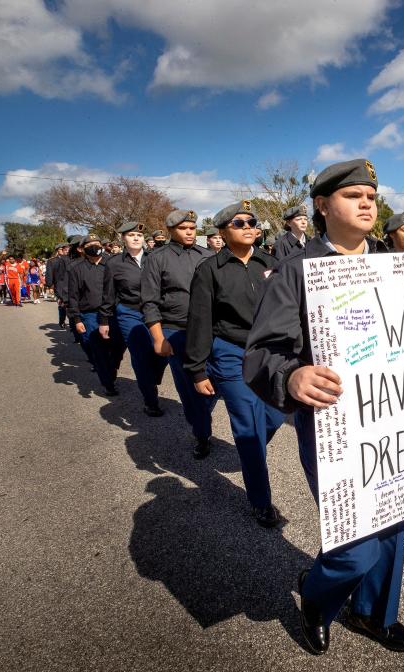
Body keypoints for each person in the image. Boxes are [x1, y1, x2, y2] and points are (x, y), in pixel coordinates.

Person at [243, 158, 404, 655]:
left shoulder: (397, 262)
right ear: (322, 206)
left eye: (370, 196)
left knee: (393, 525)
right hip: (336, 426)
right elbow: (260, 354)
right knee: (356, 545)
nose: (366, 203)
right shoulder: (298, 271)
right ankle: (318, 599)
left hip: (402, 423)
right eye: (352, 195)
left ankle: (373, 614)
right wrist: (291, 375)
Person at [183, 202, 285, 527]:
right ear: (223, 231)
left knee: (275, 415)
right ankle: (260, 500)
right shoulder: (209, 269)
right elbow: (200, 320)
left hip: (270, 353)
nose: (247, 225)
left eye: (251, 221)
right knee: (248, 427)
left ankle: (251, 454)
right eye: (239, 222)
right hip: (230, 353)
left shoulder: (270, 263)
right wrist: (197, 370)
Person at [141, 209, 215, 458]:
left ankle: (201, 418)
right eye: (184, 229)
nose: (190, 233)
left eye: (193, 228)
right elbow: (149, 301)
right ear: (172, 230)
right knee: (189, 388)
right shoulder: (157, 258)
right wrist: (159, 338)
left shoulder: (207, 255)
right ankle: (202, 435)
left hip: (211, 331)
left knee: (216, 383)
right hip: (177, 331)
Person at [99, 222, 167, 417]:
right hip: (130, 313)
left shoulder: (154, 258)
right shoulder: (114, 263)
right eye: (131, 235)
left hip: (156, 311)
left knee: (162, 354)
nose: (136, 238)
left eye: (139, 234)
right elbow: (108, 294)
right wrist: (104, 320)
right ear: (123, 239)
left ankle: (151, 379)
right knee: (141, 355)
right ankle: (150, 400)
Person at [67, 235, 125, 396]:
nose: (95, 246)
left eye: (97, 243)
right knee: (99, 349)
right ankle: (108, 383)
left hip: (114, 313)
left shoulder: (112, 264)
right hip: (91, 315)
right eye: (90, 244)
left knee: (118, 347)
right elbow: (73, 296)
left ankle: (111, 368)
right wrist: (77, 319)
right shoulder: (76, 269)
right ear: (82, 249)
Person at [45, 243, 70, 327]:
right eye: (61, 249)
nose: (65, 250)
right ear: (57, 250)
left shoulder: (70, 259)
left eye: (67, 248)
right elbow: (49, 274)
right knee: (62, 304)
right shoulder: (52, 261)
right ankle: (62, 320)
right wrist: (50, 285)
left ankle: (73, 322)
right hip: (59, 286)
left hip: (71, 284)